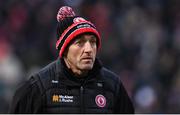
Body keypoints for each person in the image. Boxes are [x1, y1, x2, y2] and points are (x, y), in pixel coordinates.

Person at [9, 6, 134, 114]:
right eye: (80, 43)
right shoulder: (38, 87)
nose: (89, 49)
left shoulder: (113, 85)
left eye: (93, 42)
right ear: (64, 50)